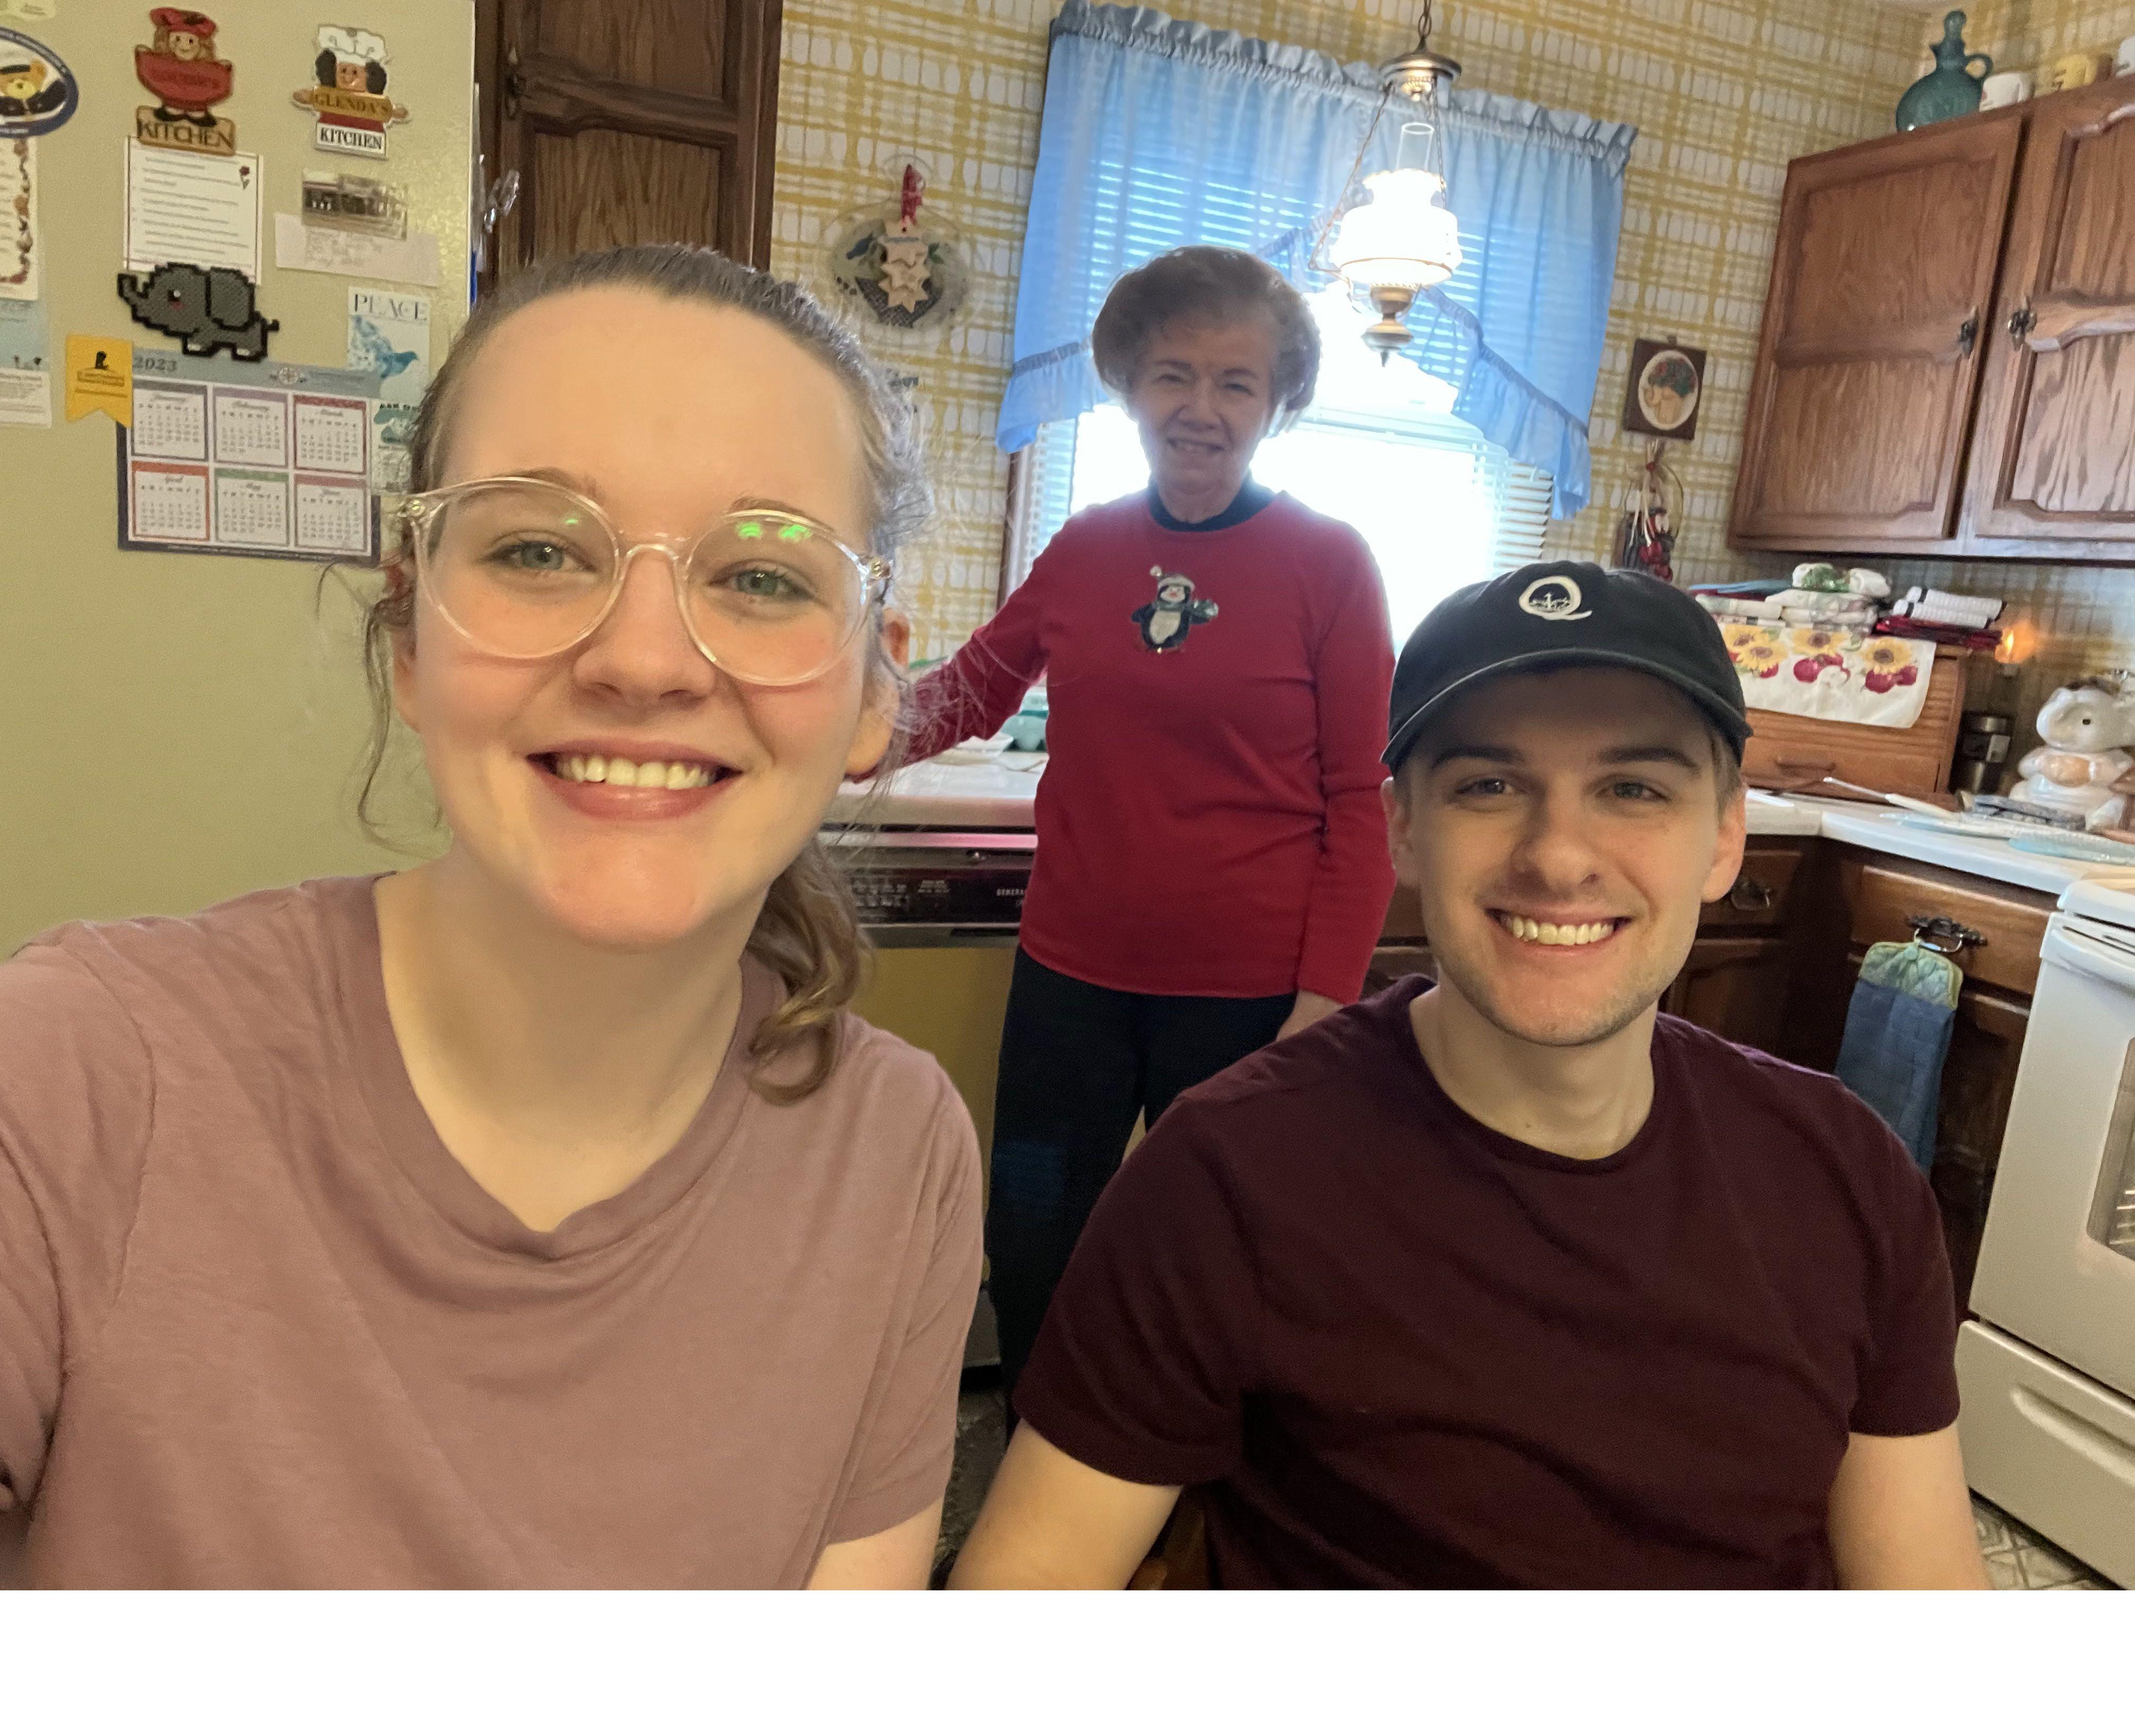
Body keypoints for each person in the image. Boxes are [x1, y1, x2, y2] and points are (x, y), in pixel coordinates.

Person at [0, 245, 981, 1589]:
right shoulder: (72, 1079)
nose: (643, 661)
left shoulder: (898, 1149)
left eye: (761, 577)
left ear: (874, 692)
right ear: (412, 642)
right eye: (536, 549)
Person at [952, 560, 1986, 1589]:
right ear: (1404, 826)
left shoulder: (1848, 1179)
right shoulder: (1227, 1182)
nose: (1558, 857)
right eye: (1489, 785)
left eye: (1634, 788)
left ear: (1725, 837)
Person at [899, 246, 1395, 1395]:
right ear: (1129, 388)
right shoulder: (1087, 548)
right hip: (1072, 972)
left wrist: (1323, 1004)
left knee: (1221, 1252)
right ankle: (1038, 1458)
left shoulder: (1331, 564)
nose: (1201, 409)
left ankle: (1188, 1494)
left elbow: (1357, 802)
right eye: (1174, 375)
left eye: (1236, 382)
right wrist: (833, 728)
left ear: (1276, 404)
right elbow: (972, 690)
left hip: (1249, 997)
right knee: (1032, 1230)